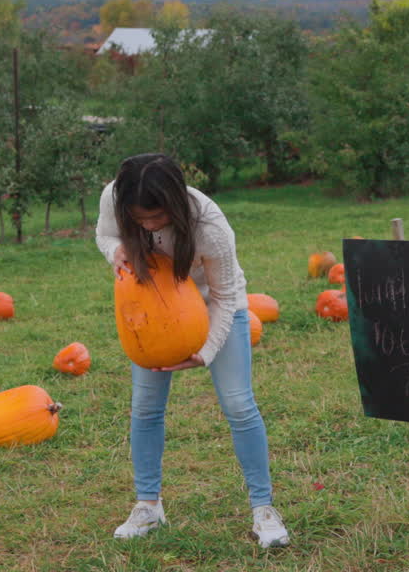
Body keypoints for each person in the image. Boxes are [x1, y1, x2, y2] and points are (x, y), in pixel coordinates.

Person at [95, 152, 289, 549]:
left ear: (176, 204)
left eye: (157, 218)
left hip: (218, 308)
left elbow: (225, 293)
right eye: (140, 220)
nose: (148, 226)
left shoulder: (210, 226)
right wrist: (114, 249)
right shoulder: (115, 196)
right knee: (146, 407)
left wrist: (205, 351)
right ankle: (148, 506)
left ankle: (263, 509)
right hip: (153, 313)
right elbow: (106, 234)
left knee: (238, 404)